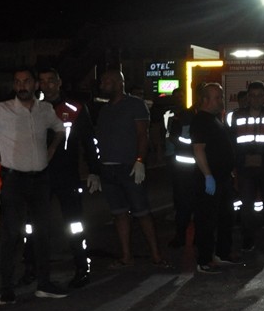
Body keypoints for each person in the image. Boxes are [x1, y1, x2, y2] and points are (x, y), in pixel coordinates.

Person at [0, 68, 68, 305]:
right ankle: (6, 288)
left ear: (35, 85)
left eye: (27, 81)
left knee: (43, 232)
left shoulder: (45, 110)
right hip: (13, 180)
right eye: (18, 82)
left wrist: (51, 149)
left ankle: (44, 284)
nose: (22, 86)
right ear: (14, 86)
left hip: (41, 179)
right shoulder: (2, 110)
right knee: (11, 235)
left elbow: (60, 128)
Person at [28, 67, 103, 288]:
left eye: (51, 80)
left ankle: (82, 267)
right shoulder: (32, 109)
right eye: (42, 81)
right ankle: (31, 267)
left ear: (59, 82)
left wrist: (94, 170)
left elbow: (89, 141)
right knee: (32, 224)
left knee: (74, 223)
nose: (47, 85)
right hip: (37, 174)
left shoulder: (75, 108)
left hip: (66, 174)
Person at [95, 69, 168, 268]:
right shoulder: (104, 109)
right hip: (108, 168)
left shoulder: (135, 105)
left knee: (141, 212)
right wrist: (96, 169)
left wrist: (139, 161)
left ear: (119, 82)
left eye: (106, 80)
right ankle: (126, 256)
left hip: (129, 167)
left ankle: (156, 255)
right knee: (119, 213)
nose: (102, 84)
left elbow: (142, 135)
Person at [226, 80, 264, 253]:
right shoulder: (237, 116)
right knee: (247, 206)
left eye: (260, 96)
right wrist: (234, 163)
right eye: (253, 96)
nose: (256, 99)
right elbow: (231, 141)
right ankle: (248, 240)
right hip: (245, 167)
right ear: (248, 97)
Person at [189, 82, 235, 274]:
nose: (221, 100)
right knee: (206, 220)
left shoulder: (215, 119)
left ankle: (220, 254)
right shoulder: (201, 120)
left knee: (224, 217)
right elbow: (198, 150)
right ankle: (204, 260)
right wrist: (208, 175)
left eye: (221, 96)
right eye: (217, 97)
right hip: (210, 180)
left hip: (222, 178)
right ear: (206, 99)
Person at [165, 87, 197, 249]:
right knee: (185, 206)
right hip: (186, 169)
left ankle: (186, 237)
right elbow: (173, 137)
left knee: (190, 205)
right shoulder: (184, 115)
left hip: (192, 169)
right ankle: (182, 236)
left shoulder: (199, 116)